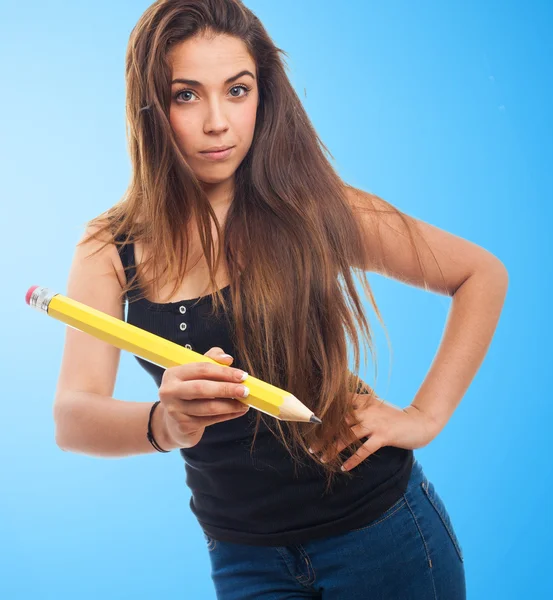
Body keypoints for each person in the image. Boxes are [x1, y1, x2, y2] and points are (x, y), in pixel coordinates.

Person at [53, 1, 508, 598]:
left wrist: (423, 417)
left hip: (383, 535)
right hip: (244, 558)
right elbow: (72, 417)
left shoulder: (316, 209)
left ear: (262, 95)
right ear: (149, 107)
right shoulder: (110, 248)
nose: (218, 121)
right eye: (186, 95)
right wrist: (167, 422)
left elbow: (481, 274)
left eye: (237, 91)